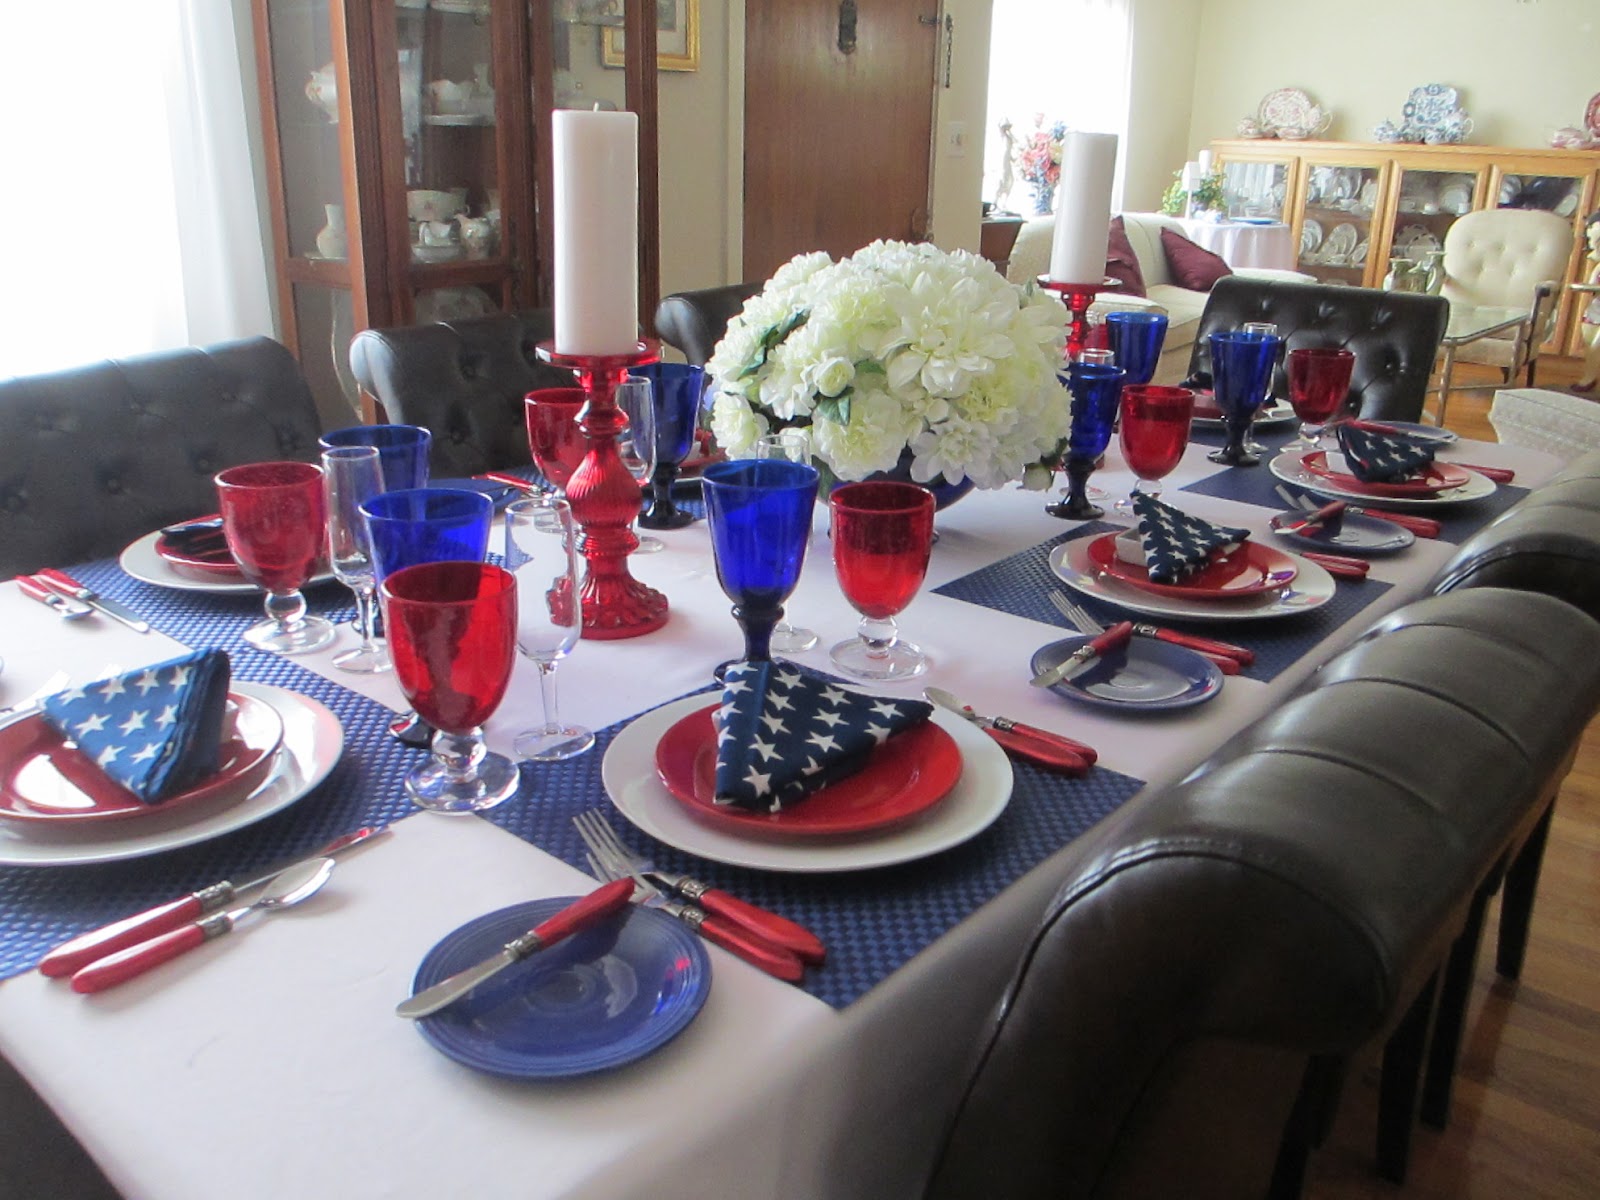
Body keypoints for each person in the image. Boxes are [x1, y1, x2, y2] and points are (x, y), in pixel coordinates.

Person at [1575, 210, 1600, 393]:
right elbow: (1591, 286)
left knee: (1596, 348)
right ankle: (1590, 377)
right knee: (1589, 345)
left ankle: (1589, 379)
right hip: (1595, 311)